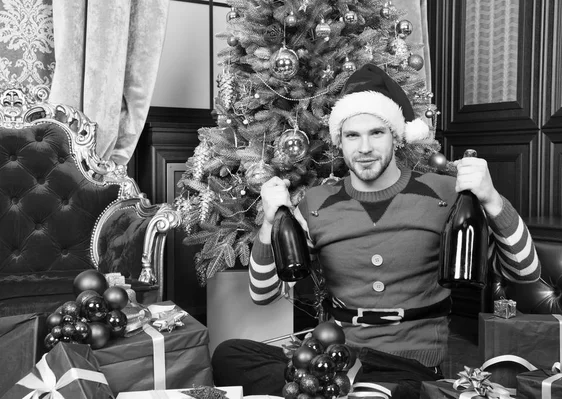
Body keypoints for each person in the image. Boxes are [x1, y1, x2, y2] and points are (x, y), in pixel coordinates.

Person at [211, 64, 540, 399]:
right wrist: (269, 221)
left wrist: (492, 198)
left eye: (376, 133)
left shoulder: (445, 194)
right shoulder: (317, 202)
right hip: (338, 359)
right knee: (230, 355)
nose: (364, 148)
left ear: (396, 137)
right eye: (352, 135)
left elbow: (525, 271)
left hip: (411, 366)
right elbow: (262, 293)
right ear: (339, 142)